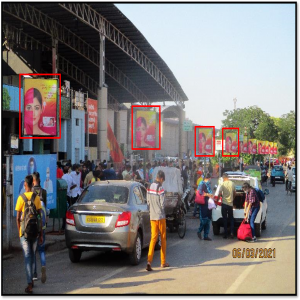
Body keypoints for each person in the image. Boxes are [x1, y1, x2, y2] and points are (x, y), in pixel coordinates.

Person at [15, 175, 43, 294]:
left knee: (27, 257)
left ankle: (29, 283)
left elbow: (17, 217)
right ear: (32, 184)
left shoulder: (21, 198)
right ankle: (31, 280)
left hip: (24, 232)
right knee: (32, 255)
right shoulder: (36, 197)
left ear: (25, 185)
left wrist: (19, 232)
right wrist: (40, 233)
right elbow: (39, 216)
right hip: (35, 232)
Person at [146, 170, 169, 271]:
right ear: (161, 179)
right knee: (163, 238)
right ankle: (163, 262)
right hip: (160, 216)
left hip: (152, 216)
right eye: (163, 180)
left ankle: (149, 261)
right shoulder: (160, 188)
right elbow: (163, 203)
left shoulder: (149, 187)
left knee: (153, 239)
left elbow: (148, 202)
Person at [32, 172, 47, 283]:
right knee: (41, 249)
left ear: (33, 180)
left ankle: (34, 274)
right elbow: (45, 208)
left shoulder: (30, 193)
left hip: (33, 224)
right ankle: (43, 266)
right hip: (43, 224)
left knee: (33, 250)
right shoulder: (44, 192)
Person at [217, 173, 236, 239]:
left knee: (224, 219)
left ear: (224, 178)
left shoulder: (222, 184)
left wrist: (217, 200)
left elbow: (219, 193)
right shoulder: (232, 183)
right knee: (231, 218)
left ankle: (225, 234)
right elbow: (234, 193)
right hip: (230, 204)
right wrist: (232, 199)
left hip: (224, 204)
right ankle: (232, 233)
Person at [197, 173, 213, 241]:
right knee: (204, 219)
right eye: (210, 178)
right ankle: (199, 231)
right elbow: (200, 192)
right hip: (203, 204)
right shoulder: (202, 183)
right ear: (208, 178)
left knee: (208, 219)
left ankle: (206, 235)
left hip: (209, 203)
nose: (210, 180)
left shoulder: (208, 184)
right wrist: (208, 194)